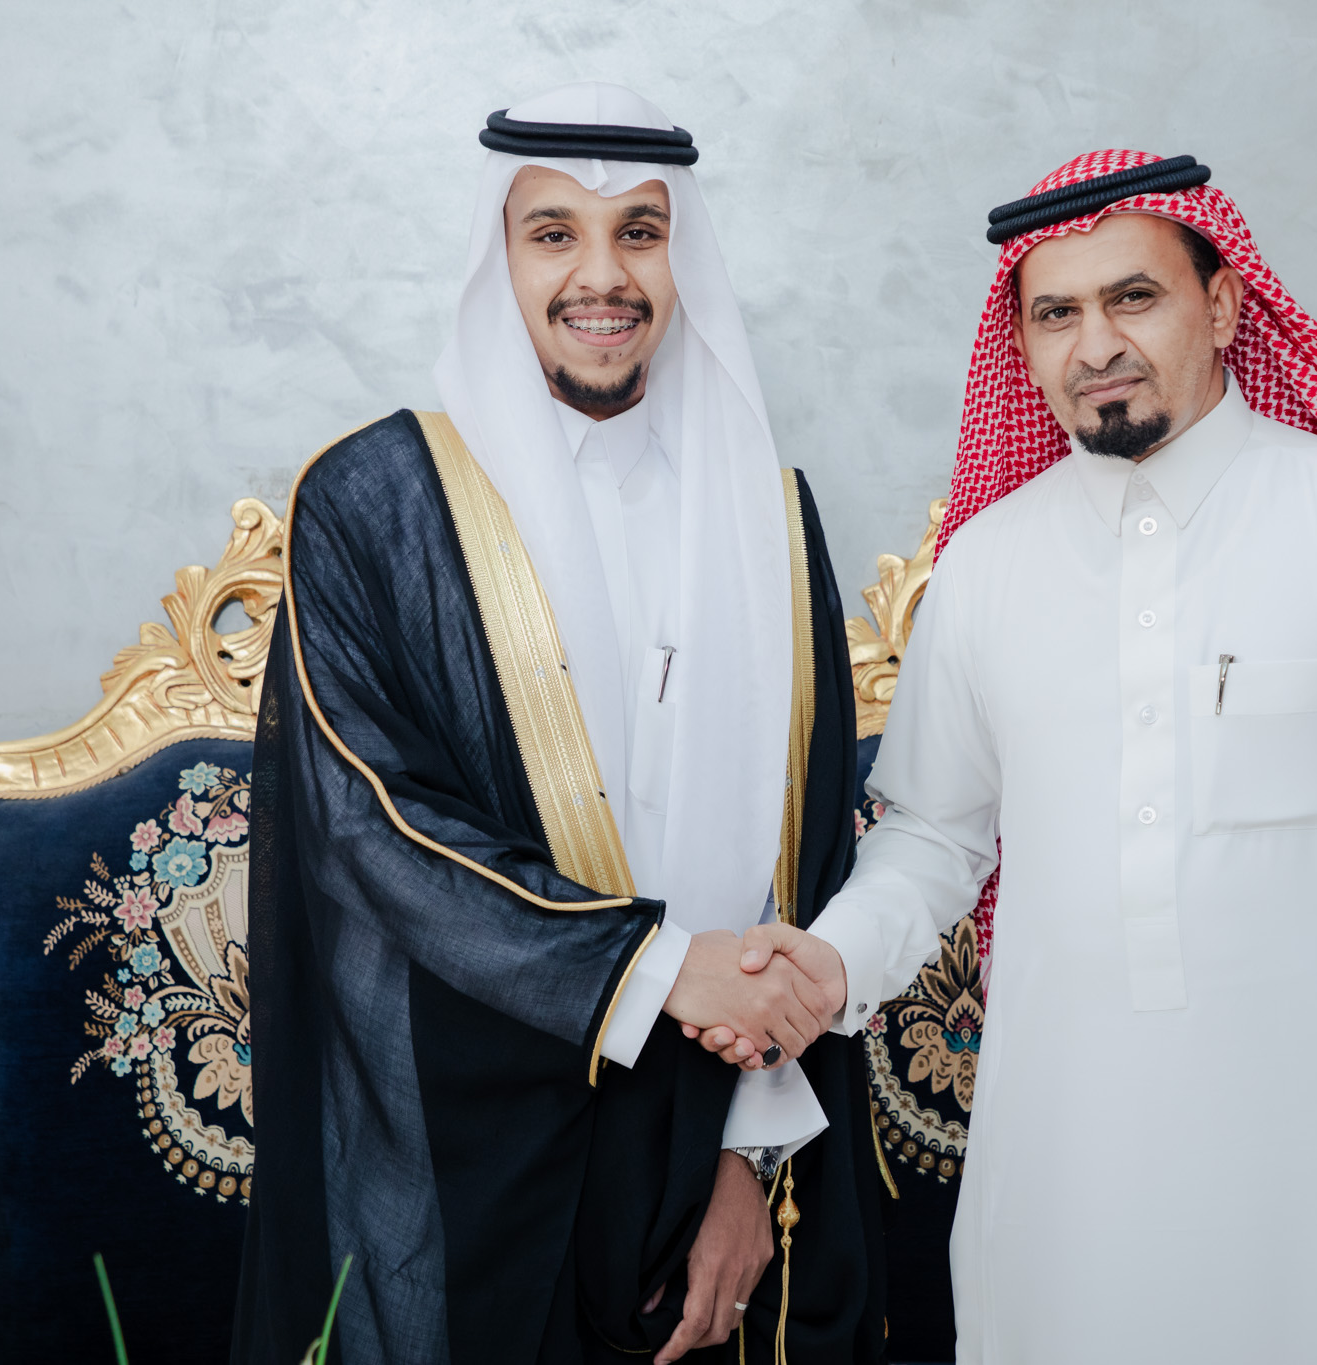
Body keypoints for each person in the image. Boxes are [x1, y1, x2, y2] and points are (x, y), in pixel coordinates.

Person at [702, 150, 1317, 1363]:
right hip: (1062, 1172)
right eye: (1055, 314)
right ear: (1022, 346)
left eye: (1133, 298)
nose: (1094, 344)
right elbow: (934, 838)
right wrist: (827, 965)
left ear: (1219, 305)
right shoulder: (987, 566)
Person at [231, 83, 883, 1365]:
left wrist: (750, 1158)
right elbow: (373, 832)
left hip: (714, 1131)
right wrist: (654, 971)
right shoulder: (374, 504)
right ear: (499, 257)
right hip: (467, 1151)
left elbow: (804, 867)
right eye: (553, 234)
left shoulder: (766, 513)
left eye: (640, 231)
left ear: (682, 256)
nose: (602, 276)